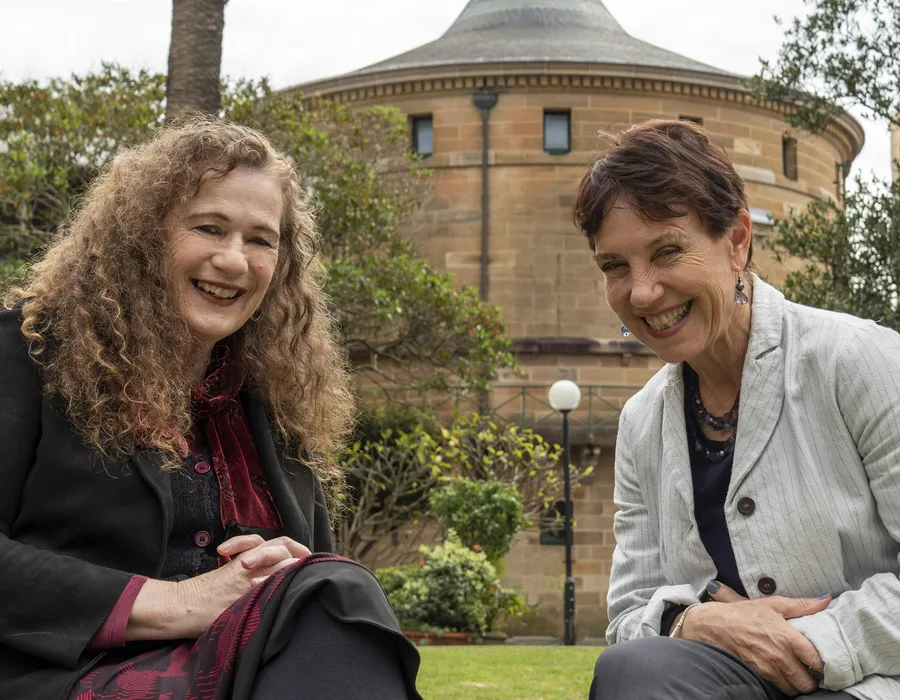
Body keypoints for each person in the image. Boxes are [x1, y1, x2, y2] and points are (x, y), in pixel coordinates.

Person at [0, 116, 421, 700]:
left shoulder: (278, 402)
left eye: (260, 240)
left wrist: (274, 573)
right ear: (144, 236)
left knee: (332, 592)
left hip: (245, 670)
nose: (233, 260)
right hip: (65, 677)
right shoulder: (27, 353)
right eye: (208, 228)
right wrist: (178, 602)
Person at [573, 119, 900, 699]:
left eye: (667, 250)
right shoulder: (642, 422)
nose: (642, 292)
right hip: (723, 679)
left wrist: (803, 640)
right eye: (615, 266)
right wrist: (687, 621)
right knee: (632, 673)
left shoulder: (860, 361)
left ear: (738, 240)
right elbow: (628, 614)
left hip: (875, 678)